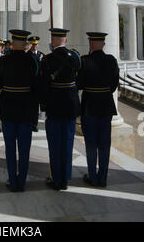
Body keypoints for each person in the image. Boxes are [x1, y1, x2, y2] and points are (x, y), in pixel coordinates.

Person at [0, 29, 38, 192]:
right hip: (26, 110)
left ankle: (13, 182)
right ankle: (22, 182)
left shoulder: (4, 60)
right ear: (25, 43)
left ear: (12, 43)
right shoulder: (32, 61)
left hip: (8, 109)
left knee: (10, 148)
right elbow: (36, 88)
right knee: (24, 149)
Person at [38, 28, 81, 190]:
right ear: (66, 41)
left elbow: (43, 85)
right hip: (70, 106)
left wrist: (43, 105)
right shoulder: (75, 57)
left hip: (54, 106)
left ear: (52, 40)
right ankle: (66, 178)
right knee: (68, 143)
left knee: (55, 144)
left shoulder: (47, 59)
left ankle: (56, 179)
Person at [77, 32, 119, 188]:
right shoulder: (111, 60)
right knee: (104, 144)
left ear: (91, 43)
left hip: (89, 106)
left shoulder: (85, 60)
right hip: (106, 106)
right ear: (103, 44)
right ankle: (103, 178)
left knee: (91, 144)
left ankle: (93, 177)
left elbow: (79, 84)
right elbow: (114, 85)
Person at [27, 36, 44, 132]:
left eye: (36, 44)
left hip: (37, 85)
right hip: (28, 85)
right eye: (33, 44)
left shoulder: (41, 55)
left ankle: (34, 124)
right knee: (28, 105)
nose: (34, 46)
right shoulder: (26, 55)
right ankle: (28, 123)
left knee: (35, 106)